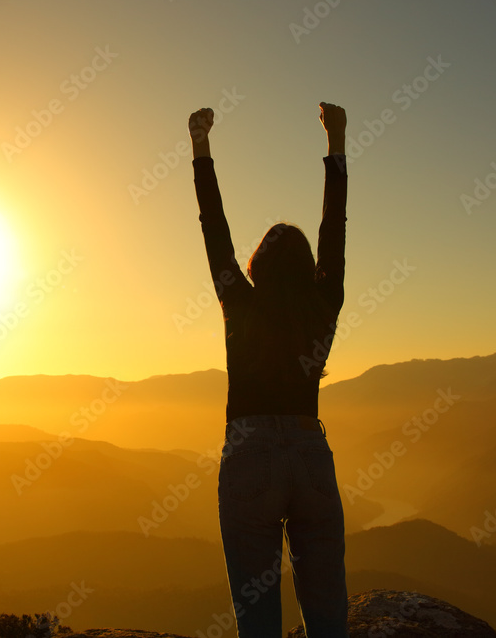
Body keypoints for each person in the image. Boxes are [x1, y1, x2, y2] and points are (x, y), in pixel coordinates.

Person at [188, 102, 350, 637]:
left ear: (257, 264)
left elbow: (215, 231)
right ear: (309, 269)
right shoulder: (324, 302)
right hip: (310, 454)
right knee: (328, 614)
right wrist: (337, 142)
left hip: (250, 454)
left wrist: (201, 148)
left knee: (257, 620)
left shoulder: (241, 303)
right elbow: (334, 229)